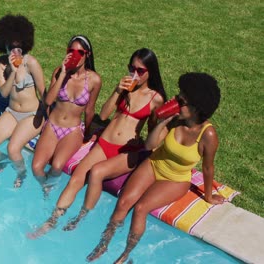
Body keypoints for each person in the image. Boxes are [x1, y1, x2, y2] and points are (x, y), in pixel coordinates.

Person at [86, 72, 225, 263]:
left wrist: (208, 196)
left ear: (196, 108)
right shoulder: (176, 120)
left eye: (182, 100)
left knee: (141, 208)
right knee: (124, 201)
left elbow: (208, 168)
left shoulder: (208, 135)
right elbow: (149, 146)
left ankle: (125, 255)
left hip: (176, 178)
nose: (176, 101)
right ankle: (104, 243)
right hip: (153, 163)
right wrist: (162, 123)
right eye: (178, 96)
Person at [28, 48, 166, 238]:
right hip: (104, 142)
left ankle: (80, 218)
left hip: (127, 149)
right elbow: (103, 115)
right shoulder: (125, 88)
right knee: (76, 178)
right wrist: (118, 90)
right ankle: (52, 220)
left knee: (96, 173)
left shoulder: (156, 99)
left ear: (150, 71)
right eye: (131, 68)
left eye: (140, 71)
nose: (134, 73)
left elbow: (152, 131)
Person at [0, 14, 46, 188]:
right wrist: (12, 71)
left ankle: (21, 173)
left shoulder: (31, 62)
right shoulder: (1, 63)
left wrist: (47, 117)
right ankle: (4, 161)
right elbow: (3, 93)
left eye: (19, 47)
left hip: (32, 114)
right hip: (11, 112)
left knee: (13, 148)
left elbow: (44, 92)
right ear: (4, 45)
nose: (15, 51)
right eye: (11, 47)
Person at [31, 35, 102, 194]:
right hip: (52, 126)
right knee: (36, 167)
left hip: (72, 130)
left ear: (87, 54)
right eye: (71, 51)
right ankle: (46, 188)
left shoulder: (94, 80)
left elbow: (90, 110)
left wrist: (88, 134)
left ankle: (48, 190)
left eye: (80, 52)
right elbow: (48, 101)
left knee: (57, 166)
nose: (75, 55)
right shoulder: (59, 71)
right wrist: (63, 73)